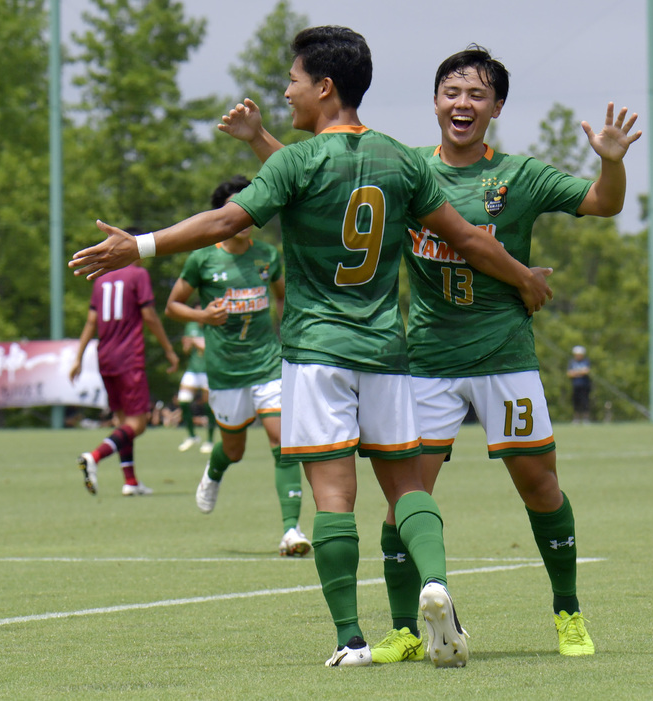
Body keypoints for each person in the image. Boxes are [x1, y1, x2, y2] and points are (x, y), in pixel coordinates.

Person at [70, 26, 551, 669]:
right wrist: (522, 277)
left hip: (316, 353)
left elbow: (226, 221)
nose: (288, 92)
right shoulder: (401, 160)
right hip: (386, 352)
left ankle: (351, 639)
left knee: (332, 497)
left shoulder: (295, 163)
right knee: (407, 488)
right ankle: (434, 582)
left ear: (324, 87)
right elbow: (466, 236)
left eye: (293, 80)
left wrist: (142, 244)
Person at [220, 44, 638, 661]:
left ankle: (568, 612)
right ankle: (406, 630)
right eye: (451, 92)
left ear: (495, 106)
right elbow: (317, 180)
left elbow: (605, 204)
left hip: (504, 356)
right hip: (425, 361)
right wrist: (260, 140)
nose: (462, 104)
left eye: (476, 94)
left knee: (540, 485)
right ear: (436, 101)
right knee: (404, 500)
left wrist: (610, 164)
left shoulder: (518, 176)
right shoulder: (408, 165)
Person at [165, 175, 311, 558]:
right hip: (226, 372)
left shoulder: (268, 255)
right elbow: (173, 306)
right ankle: (214, 472)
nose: (248, 216)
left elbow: (282, 298)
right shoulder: (202, 258)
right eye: (238, 209)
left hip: (267, 365)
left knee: (283, 444)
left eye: (254, 207)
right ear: (222, 216)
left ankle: (291, 530)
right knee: (233, 449)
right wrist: (203, 314)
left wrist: (290, 340)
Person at [69, 256, 179, 496]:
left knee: (123, 423)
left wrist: (78, 357)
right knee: (137, 424)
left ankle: (130, 482)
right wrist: (169, 349)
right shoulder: (138, 274)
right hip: (129, 357)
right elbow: (149, 315)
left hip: (105, 357)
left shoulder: (101, 279)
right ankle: (94, 457)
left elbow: (90, 321)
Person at [176, 315, 216, 453]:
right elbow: (186, 350)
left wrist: (196, 342)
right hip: (193, 370)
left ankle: (210, 440)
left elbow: (210, 347)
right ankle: (192, 436)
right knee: (183, 401)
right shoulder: (191, 326)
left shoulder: (212, 326)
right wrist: (187, 344)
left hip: (208, 370)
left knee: (208, 405)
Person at [567, 345, 593, 424]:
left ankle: (586, 419)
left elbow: (586, 371)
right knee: (576, 403)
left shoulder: (586, 361)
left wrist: (576, 372)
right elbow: (569, 373)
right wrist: (580, 372)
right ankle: (576, 419)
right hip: (575, 386)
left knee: (585, 402)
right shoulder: (572, 362)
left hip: (585, 386)